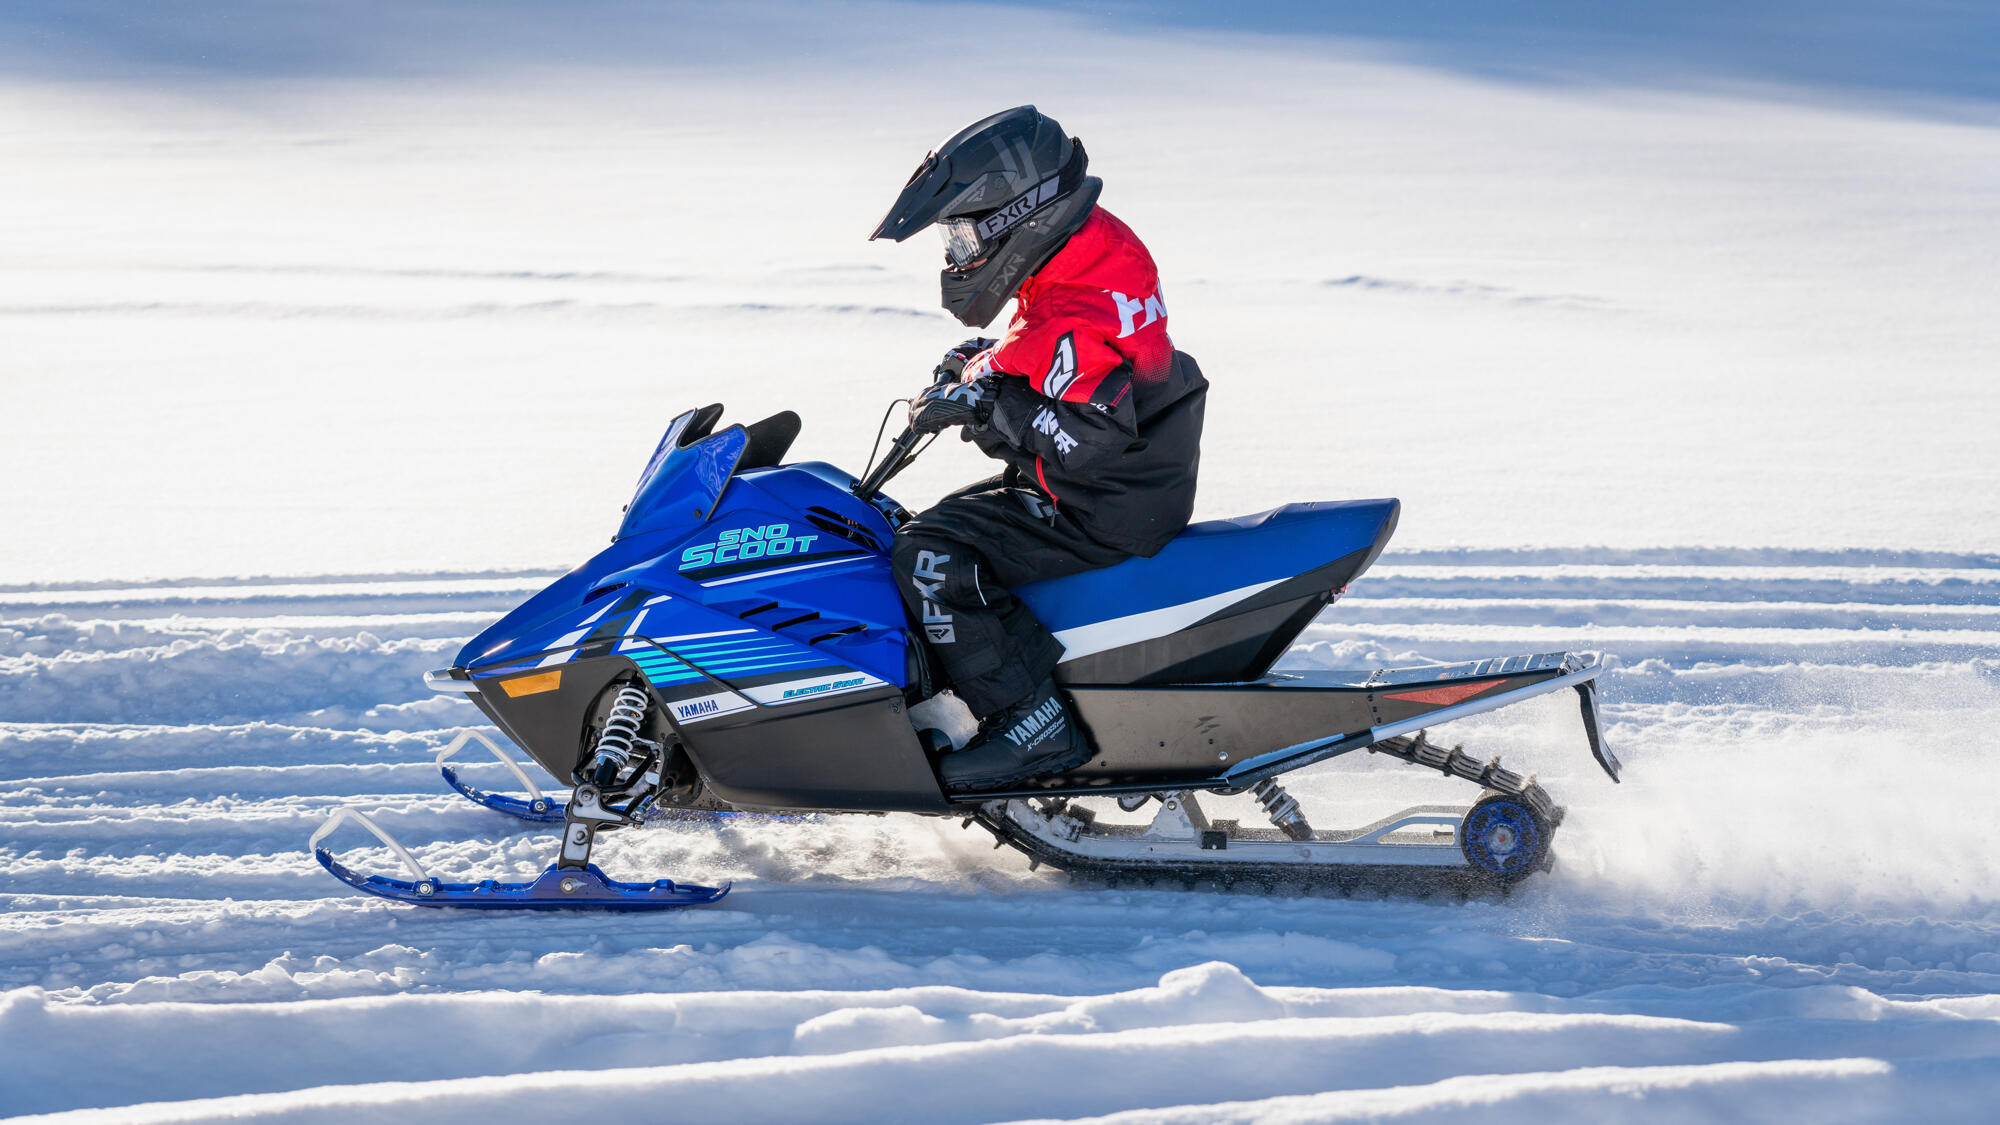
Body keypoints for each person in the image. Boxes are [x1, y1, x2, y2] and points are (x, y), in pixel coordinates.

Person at [869, 105, 1207, 791]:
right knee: (928, 525)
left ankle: (1033, 721)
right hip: (1130, 487)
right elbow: (1055, 343)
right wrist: (985, 363)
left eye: (964, 236)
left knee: (928, 556)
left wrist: (987, 403)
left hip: (1098, 503)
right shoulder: (1093, 246)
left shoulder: (1071, 314)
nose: (958, 256)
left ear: (1018, 216)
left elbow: (1089, 439)